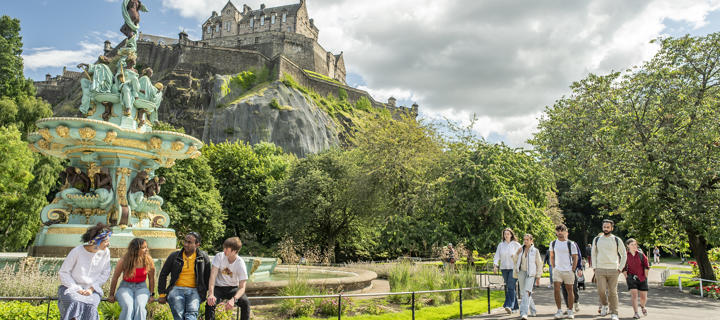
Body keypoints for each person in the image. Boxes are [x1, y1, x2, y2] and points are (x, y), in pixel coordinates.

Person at [57, 223, 112, 320]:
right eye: (106, 242)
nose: (108, 244)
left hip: (92, 290)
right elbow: (64, 272)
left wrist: (91, 288)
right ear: (96, 242)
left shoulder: (106, 252)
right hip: (70, 288)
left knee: (91, 306)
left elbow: (105, 272)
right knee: (74, 302)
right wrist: (76, 288)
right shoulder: (77, 251)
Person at [158, 232, 211, 320]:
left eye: (189, 242)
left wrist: (205, 292)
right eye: (185, 241)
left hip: (195, 290)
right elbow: (163, 274)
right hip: (176, 289)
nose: (186, 244)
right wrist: (162, 294)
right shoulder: (174, 256)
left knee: (191, 316)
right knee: (179, 317)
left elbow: (207, 276)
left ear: (197, 244)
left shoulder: (203, 257)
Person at [108, 238, 155, 320]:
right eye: (143, 248)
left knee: (140, 307)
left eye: (146, 247)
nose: (146, 250)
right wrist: (111, 295)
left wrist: (151, 294)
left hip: (142, 287)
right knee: (128, 306)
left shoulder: (148, 260)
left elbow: (151, 279)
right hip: (125, 287)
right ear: (135, 249)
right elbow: (115, 278)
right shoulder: (124, 261)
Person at [206, 237, 251, 320]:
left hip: (233, 288)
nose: (224, 250)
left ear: (234, 251)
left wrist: (234, 300)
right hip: (218, 287)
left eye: (227, 249)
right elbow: (212, 276)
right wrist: (211, 294)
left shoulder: (240, 263)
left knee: (245, 302)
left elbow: (242, 287)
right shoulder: (219, 256)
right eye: (224, 247)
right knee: (210, 302)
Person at [591, 219, 627, 320]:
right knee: (601, 291)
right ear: (602, 227)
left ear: (612, 228)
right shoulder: (597, 239)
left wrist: (620, 268)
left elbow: (624, 254)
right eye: (604, 227)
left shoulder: (616, 240)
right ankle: (605, 305)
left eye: (608, 227)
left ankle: (614, 313)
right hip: (600, 269)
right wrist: (594, 267)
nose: (606, 229)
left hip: (613, 270)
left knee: (613, 292)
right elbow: (593, 253)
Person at [550, 224, 578, 319]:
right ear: (556, 232)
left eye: (562, 231)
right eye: (558, 231)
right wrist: (554, 267)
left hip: (568, 270)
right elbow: (552, 256)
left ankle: (570, 310)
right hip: (557, 270)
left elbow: (575, 257)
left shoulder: (571, 244)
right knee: (556, 289)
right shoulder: (553, 243)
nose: (560, 233)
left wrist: (573, 269)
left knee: (570, 290)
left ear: (566, 232)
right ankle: (559, 310)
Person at [512, 234, 542, 320]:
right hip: (521, 272)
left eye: (527, 240)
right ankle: (533, 310)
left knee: (526, 292)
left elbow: (539, 264)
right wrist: (517, 254)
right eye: (524, 239)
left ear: (531, 241)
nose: (525, 241)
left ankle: (523, 313)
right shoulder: (520, 249)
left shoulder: (535, 251)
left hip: (531, 274)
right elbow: (514, 260)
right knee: (523, 293)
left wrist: (538, 276)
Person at [493, 228, 521, 314]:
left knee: (511, 287)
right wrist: (495, 265)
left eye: (508, 234)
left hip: (514, 268)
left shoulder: (516, 245)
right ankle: (515, 307)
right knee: (510, 287)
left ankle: (508, 305)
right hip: (504, 268)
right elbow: (497, 255)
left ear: (511, 235)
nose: (506, 235)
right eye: (505, 234)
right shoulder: (501, 245)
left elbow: (521, 255)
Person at [623, 239, 649, 319]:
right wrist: (626, 277)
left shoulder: (641, 255)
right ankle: (636, 313)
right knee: (634, 295)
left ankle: (643, 306)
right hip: (631, 278)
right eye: (632, 245)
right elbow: (623, 267)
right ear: (628, 246)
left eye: (635, 244)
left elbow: (646, 266)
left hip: (642, 278)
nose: (634, 246)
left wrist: (645, 277)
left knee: (643, 297)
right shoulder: (625, 255)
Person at [562, 239, 584, 313]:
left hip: (571, 269)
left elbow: (578, 256)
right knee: (564, 289)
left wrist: (579, 268)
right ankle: (568, 307)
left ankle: (576, 302)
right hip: (561, 270)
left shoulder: (572, 243)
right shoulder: (556, 243)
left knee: (574, 287)